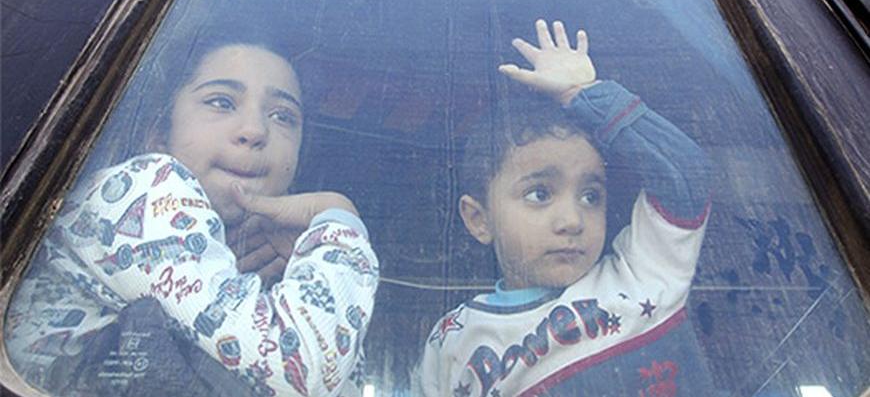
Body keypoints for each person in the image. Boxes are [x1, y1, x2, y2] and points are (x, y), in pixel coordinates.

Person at [5, 43, 378, 396]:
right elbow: (300, 374)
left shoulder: (263, 265)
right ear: (159, 136)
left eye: (283, 116)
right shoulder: (147, 184)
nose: (255, 131)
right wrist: (337, 223)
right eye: (221, 102)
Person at [415, 20, 713, 396]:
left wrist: (584, 93)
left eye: (591, 196)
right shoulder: (454, 339)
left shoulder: (640, 273)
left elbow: (686, 175)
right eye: (539, 194)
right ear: (479, 219)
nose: (572, 221)